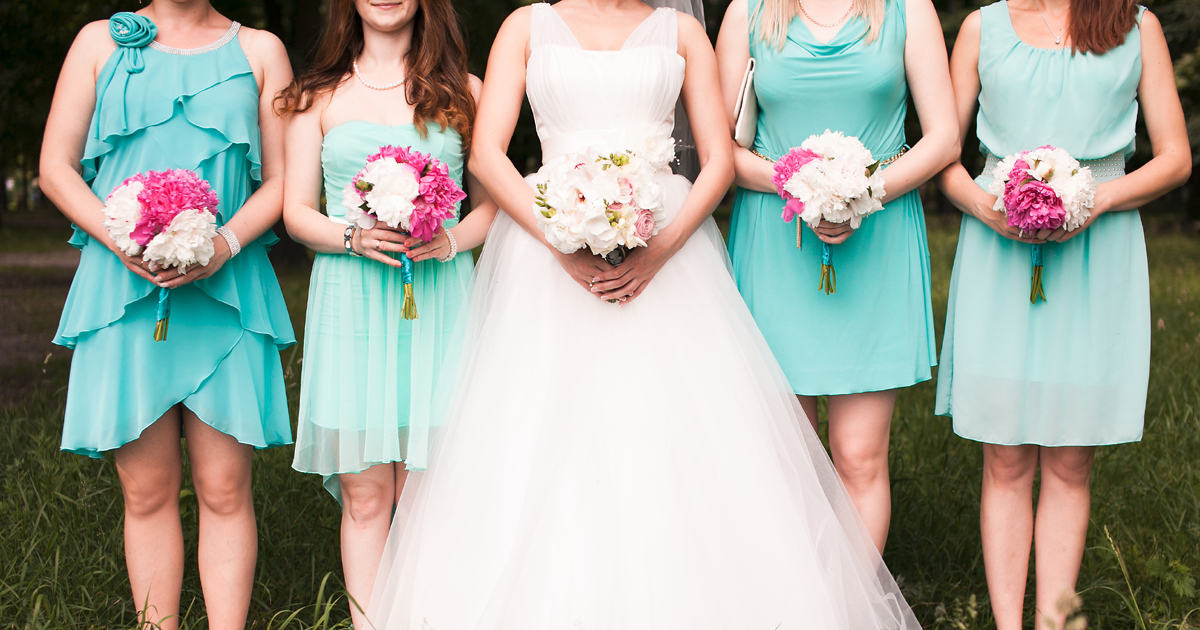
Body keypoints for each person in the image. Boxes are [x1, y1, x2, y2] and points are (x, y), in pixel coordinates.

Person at [365, 1, 920, 628]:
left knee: (677, 430)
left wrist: (660, 252)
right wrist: (559, 242)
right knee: (536, 425)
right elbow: (487, 156)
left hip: (668, 246)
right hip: (547, 249)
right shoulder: (524, 27)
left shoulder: (682, 33)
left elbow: (717, 160)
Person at [38, 1, 296, 627]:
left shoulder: (261, 50)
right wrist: (119, 238)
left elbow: (283, 180)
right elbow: (54, 168)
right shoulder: (98, 43)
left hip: (226, 290)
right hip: (123, 288)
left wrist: (223, 246)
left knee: (226, 487)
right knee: (146, 489)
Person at [934, 0, 1191, 627]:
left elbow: (1175, 158)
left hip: (1097, 253)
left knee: (1071, 460)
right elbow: (943, 158)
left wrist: (1094, 199)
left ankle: (1054, 623)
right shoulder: (981, 28)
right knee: (1005, 457)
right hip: (998, 248)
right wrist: (987, 206)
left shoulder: (1135, 26)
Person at [276, 0, 497, 626]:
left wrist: (450, 240)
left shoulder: (466, 91)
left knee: (433, 493)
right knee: (367, 496)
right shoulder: (315, 96)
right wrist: (352, 236)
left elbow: (490, 206)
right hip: (351, 303)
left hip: (441, 300)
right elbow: (296, 212)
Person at [715, 0, 959, 552]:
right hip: (775, 242)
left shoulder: (908, 9)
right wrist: (804, 189)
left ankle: (851, 599)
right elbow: (722, 148)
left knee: (859, 455)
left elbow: (944, 137)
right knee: (786, 458)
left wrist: (860, 194)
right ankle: (793, 593)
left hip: (879, 237)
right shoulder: (748, 12)